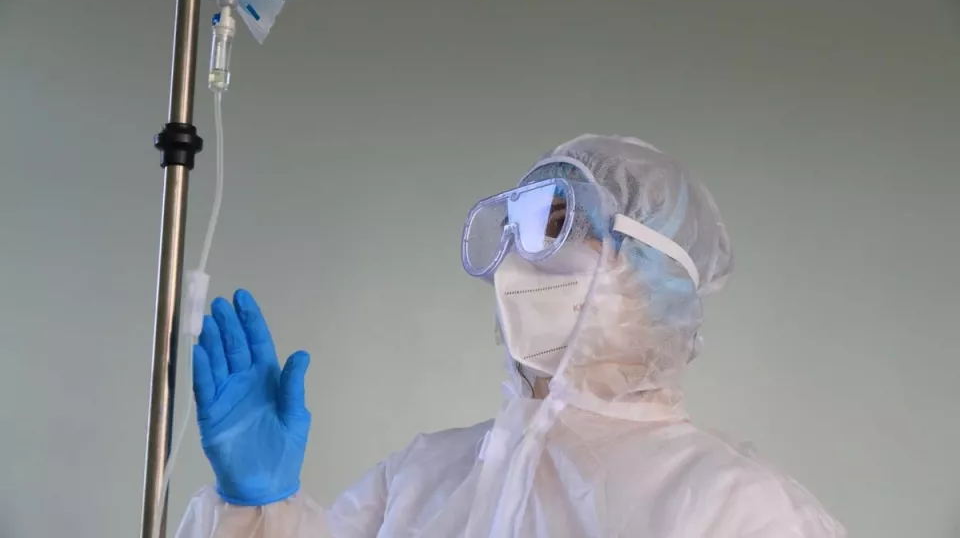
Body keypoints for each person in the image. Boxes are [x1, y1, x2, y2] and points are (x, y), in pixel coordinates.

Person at [176, 135, 846, 537]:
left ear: (653, 279)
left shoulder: (734, 508)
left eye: (561, 232)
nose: (521, 263)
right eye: (516, 235)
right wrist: (257, 509)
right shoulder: (424, 476)